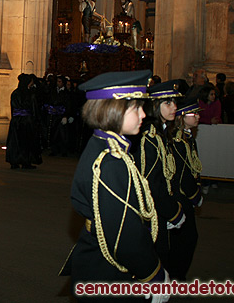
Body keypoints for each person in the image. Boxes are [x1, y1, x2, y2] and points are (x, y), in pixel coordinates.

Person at [64, 70, 170, 302]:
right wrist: (152, 274)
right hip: (107, 273)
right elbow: (124, 234)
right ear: (114, 110)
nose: (143, 114)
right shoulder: (110, 161)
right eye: (136, 107)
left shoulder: (107, 146)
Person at [132, 80, 186, 269]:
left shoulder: (161, 133)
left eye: (174, 103)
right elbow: (151, 183)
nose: (174, 108)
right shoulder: (150, 137)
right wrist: (172, 212)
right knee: (156, 257)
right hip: (153, 212)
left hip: (161, 208)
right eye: (167, 103)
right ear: (155, 105)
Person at [168, 98, 204, 281]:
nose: (197, 116)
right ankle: (175, 276)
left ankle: (175, 275)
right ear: (182, 116)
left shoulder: (187, 137)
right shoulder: (179, 140)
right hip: (180, 198)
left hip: (183, 197)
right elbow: (181, 174)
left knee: (181, 239)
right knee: (185, 239)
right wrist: (194, 194)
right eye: (193, 113)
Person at [5, 74, 42, 169]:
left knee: (15, 142)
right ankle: (26, 162)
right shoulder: (30, 94)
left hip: (16, 121)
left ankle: (14, 162)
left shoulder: (15, 93)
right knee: (26, 142)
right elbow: (34, 109)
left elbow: (12, 108)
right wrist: (36, 120)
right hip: (27, 121)